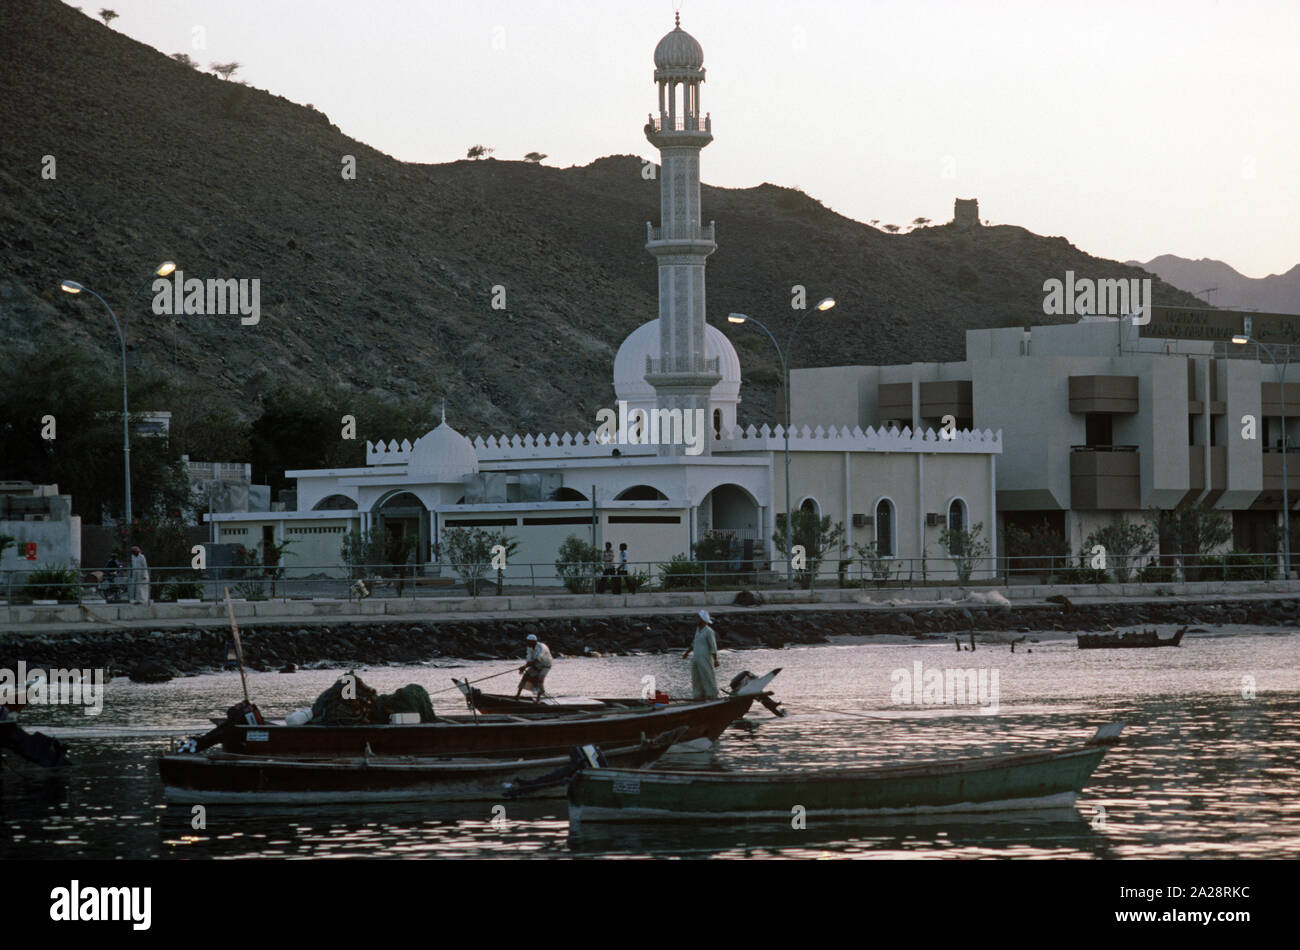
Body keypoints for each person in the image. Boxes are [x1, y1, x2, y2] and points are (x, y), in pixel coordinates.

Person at [683, 609, 719, 699]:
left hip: (705, 658)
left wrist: (715, 660)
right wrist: (687, 653)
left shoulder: (708, 631)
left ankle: (712, 694)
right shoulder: (698, 630)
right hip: (696, 657)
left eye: (698, 617)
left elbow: (713, 646)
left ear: (702, 619)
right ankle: (698, 695)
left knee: (707, 675)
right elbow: (694, 643)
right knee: (696, 677)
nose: (696, 619)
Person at [515, 633, 553, 700]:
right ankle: (517, 695)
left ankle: (538, 699)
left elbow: (537, 659)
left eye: (529, 642)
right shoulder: (529, 648)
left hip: (545, 666)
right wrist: (524, 667)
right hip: (536, 665)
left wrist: (525, 667)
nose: (527, 643)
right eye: (527, 641)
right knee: (525, 676)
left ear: (534, 642)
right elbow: (529, 659)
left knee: (540, 678)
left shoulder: (541, 647)